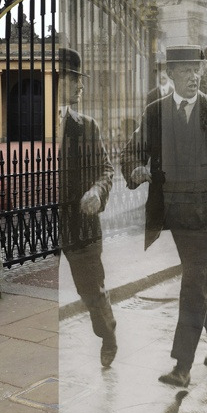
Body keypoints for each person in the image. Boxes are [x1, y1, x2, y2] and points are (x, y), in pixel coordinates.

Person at [120, 45, 207, 388]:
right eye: (186, 71)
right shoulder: (155, 113)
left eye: (197, 70)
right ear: (170, 75)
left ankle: (182, 365)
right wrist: (135, 169)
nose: (194, 76)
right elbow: (132, 151)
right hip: (177, 217)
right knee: (201, 279)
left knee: (192, 283)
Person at [57, 47, 117, 368]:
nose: (81, 87)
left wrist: (97, 190)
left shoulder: (87, 126)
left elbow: (107, 169)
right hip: (40, 228)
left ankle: (108, 334)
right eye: (74, 79)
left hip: (81, 223)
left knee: (91, 291)